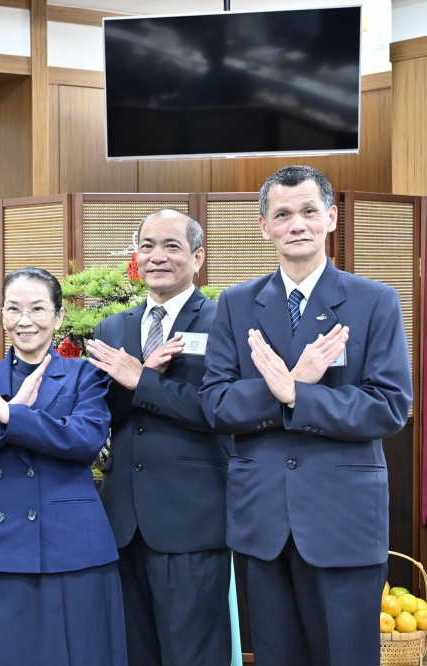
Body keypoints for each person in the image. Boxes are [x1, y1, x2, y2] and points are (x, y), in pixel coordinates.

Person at [199, 165, 413, 666]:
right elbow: (216, 403)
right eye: (282, 214)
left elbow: (388, 406)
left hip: (343, 518)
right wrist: (286, 387)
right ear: (264, 227)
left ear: (331, 218)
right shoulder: (236, 303)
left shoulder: (375, 300)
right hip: (262, 519)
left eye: (309, 211)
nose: (297, 224)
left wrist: (296, 394)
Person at [0, 267, 127, 666]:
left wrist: (14, 417)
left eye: (38, 308)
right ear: (2, 315)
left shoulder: (85, 375)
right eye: (14, 309)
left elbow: (85, 440)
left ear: (59, 317)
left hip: (68, 542)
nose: (24, 320)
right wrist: (4, 414)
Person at [86, 209, 232, 666]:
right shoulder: (112, 329)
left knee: (193, 654)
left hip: (191, 519)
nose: (157, 256)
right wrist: (140, 378)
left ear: (198, 257)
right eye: (147, 246)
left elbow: (223, 412)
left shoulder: (223, 322)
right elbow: (102, 415)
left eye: (172, 246)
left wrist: (143, 381)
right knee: (133, 653)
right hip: (123, 521)